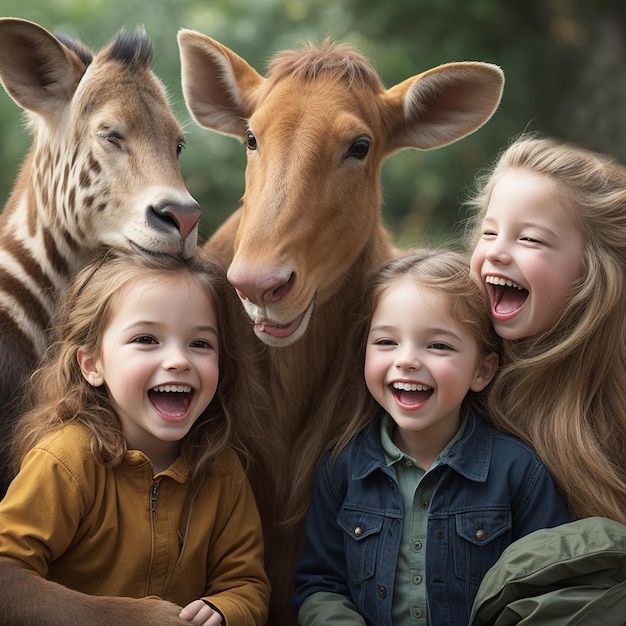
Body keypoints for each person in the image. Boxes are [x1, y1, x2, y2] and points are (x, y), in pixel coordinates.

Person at [292, 249, 570, 626]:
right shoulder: (341, 468)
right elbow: (321, 584)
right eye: (387, 342)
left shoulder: (519, 472)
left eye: (438, 345)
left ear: (482, 371)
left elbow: (547, 592)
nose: (406, 360)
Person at [0, 248, 270, 626]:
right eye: (146, 339)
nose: (179, 360)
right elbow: (6, 575)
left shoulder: (220, 470)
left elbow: (246, 584)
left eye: (200, 343)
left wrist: (227, 609)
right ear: (92, 364)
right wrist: (118, 616)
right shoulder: (67, 459)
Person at [468, 134, 626, 525]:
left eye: (530, 239)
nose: (496, 252)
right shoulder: (458, 377)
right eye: (489, 233)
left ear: (594, 269)